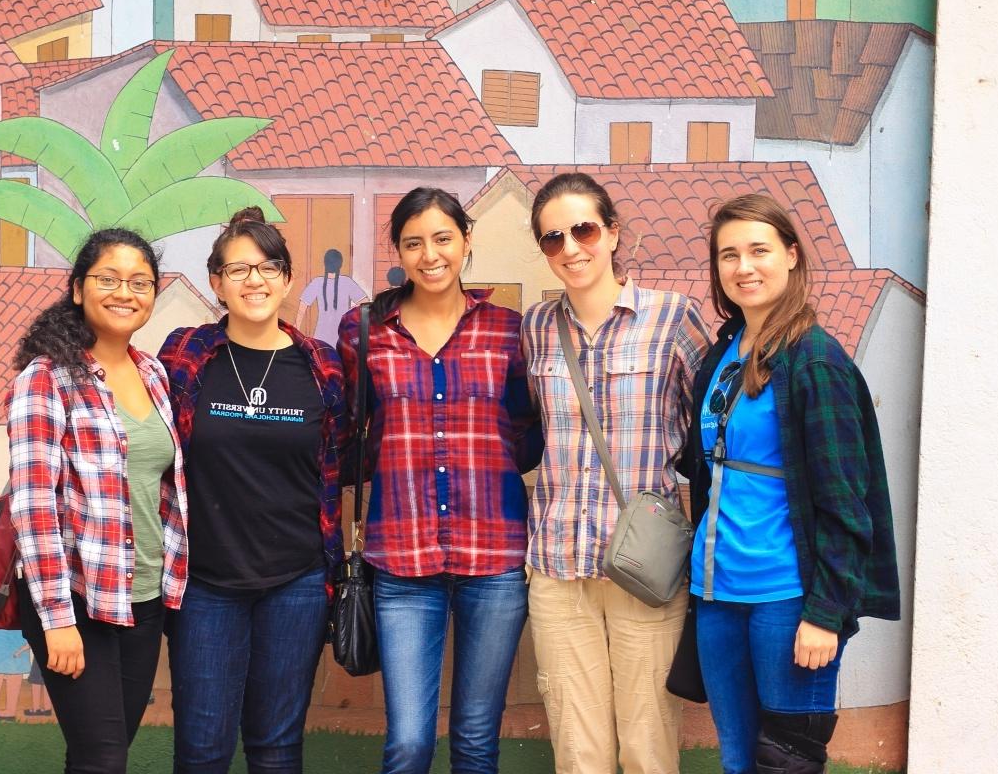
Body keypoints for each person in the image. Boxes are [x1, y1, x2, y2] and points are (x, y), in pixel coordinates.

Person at [680, 194, 899, 774]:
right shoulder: (722, 354)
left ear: (792, 256)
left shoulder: (815, 361)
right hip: (715, 593)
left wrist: (827, 613)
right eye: (729, 255)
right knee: (736, 760)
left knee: (786, 765)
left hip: (786, 595)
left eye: (758, 250)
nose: (743, 267)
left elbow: (847, 504)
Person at [336, 187, 542, 774]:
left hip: (495, 558)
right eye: (414, 242)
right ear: (398, 251)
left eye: (443, 238)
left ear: (467, 241)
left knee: (476, 741)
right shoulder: (365, 330)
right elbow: (356, 433)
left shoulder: (507, 330)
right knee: (407, 743)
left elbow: (528, 427)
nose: (430, 254)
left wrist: (489, 463)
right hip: (400, 561)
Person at [519, 173, 709, 774]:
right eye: (553, 238)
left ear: (613, 231)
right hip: (559, 563)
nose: (571, 248)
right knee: (577, 748)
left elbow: (710, 431)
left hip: (645, 567)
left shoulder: (673, 319)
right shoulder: (535, 329)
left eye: (584, 229)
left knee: (649, 741)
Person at [159, 206, 348, 774]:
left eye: (268, 267)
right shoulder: (185, 355)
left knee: (276, 746)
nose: (254, 281)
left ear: (288, 279)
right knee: (202, 748)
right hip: (205, 583)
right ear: (215, 281)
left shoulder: (323, 366)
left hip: (297, 580)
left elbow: (341, 460)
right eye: (237, 269)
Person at [8, 227, 189, 774]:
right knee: (102, 757)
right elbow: (33, 504)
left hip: (143, 597)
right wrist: (57, 618)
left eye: (140, 282)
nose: (125, 293)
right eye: (108, 279)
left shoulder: (154, 374)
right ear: (79, 289)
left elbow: (160, 489)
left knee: (101, 754)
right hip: (78, 598)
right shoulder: (47, 378)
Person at [295, 248, 367, 344]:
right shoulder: (347, 282)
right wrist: (351, 313)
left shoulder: (317, 282)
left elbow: (303, 305)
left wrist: (297, 326)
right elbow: (365, 303)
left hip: (321, 335)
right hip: (343, 335)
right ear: (340, 264)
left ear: (325, 264)